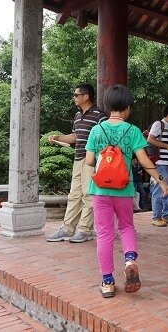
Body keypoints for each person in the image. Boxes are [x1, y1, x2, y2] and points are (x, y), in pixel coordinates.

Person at [85, 84, 168, 298]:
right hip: (124, 189)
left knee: (104, 234)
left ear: (107, 106)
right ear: (128, 107)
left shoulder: (96, 130)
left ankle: (107, 282)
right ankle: (130, 261)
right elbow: (144, 161)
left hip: (100, 190)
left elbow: (89, 161)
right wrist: (160, 180)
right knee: (126, 227)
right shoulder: (132, 131)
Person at [46, 83, 106, 243]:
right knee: (74, 195)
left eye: (76, 95)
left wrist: (98, 161)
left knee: (88, 195)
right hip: (78, 158)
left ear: (86, 96)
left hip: (91, 160)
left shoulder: (99, 115)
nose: (74, 98)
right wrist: (57, 137)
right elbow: (75, 137)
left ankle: (85, 230)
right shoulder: (78, 116)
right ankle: (67, 229)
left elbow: (105, 140)